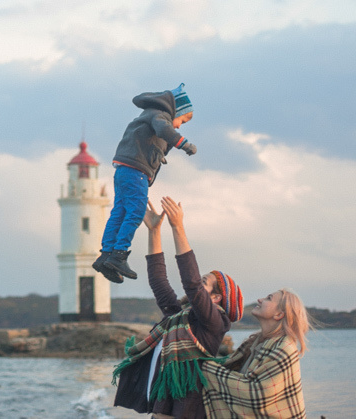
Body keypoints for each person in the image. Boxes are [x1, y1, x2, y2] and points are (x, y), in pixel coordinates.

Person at [113, 197, 243, 419]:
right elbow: (159, 282)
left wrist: (178, 227)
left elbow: (191, 284)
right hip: (160, 410)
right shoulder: (180, 318)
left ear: (216, 297)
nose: (198, 288)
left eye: (205, 283)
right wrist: (154, 231)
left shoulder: (213, 323)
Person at [93, 84, 196, 283]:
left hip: (123, 169)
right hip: (136, 171)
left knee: (120, 211)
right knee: (136, 211)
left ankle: (105, 255)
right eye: (182, 120)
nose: (179, 126)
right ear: (176, 111)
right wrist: (184, 144)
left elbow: (159, 141)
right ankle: (118, 255)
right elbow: (165, 129)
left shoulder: (147, 117)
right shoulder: (160, 116)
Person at [199, 288, 310, 418]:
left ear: (279, 314)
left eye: (268, 298)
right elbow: (230, 369)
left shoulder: (285, 349)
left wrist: (205, 367)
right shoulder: (254, 343)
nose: (260, 299)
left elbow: (257, 395)